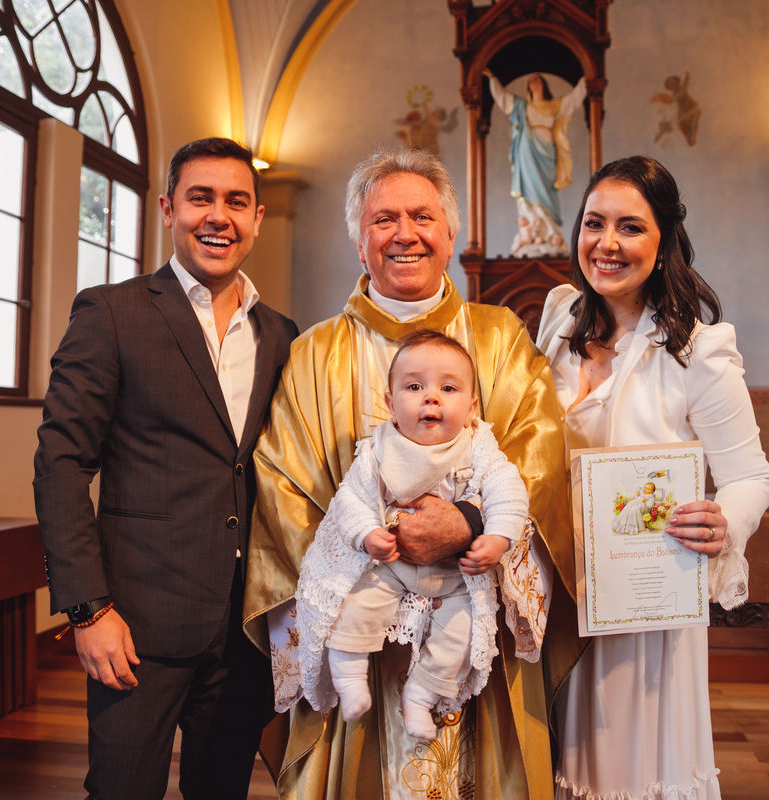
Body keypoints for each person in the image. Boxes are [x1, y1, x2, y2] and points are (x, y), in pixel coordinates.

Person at [245, 148, 585, 799]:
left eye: (422, 216)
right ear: (358, 238)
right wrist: (384, 555)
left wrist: (469, 524)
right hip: (362, 627)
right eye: (384, 219)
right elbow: (282, 488)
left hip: (475, 607)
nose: (405, 234)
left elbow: (541, 460)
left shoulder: (500, 337)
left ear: (450, 234)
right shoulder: (315, 353)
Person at [33, 137, 298, 800]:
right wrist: (88, 610)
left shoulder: (283, 334)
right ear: (167, 209)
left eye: (236, 201)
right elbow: (61, 463)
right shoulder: (112, 313)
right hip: (137, 626)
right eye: (200, 198)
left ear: (258, 217)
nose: (219, 216)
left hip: (245, 631)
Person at [535, 155, 769, 799]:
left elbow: (750, 475)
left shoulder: (698, 352)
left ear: (664, 238)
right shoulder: (558, 321)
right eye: (593, 223)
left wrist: (725, 520)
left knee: (627, 769)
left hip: (641, 607)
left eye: (630, 227)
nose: (607, 244)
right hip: (557, 591)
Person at [293, 330, 530, 742]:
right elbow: (351, 499)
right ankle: (349, 679)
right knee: (356, 604)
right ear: (389, 403)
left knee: (460, 631)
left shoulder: (480, 449)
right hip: (390, 565)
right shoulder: (378, 449)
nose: (431, 397)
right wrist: (367, 534)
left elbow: (509, 493)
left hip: (453, 575)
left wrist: (497, 538)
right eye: (415, 386)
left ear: (472, 407)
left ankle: (420, 697)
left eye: (448, 388)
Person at [485, 68, 587, 255]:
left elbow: (572, 100)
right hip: (526, 154)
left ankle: (551, 234)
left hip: (547, 153)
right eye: (531, 80)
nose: (535, 82)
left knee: (547, 193)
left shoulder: (554, 106)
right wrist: (492, 78)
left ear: (544, 84)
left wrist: (585, 78)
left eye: (538, 79)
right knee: (527, 191)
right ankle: (532, 234)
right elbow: (502, 98)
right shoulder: (521, 106)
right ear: (528, 87)